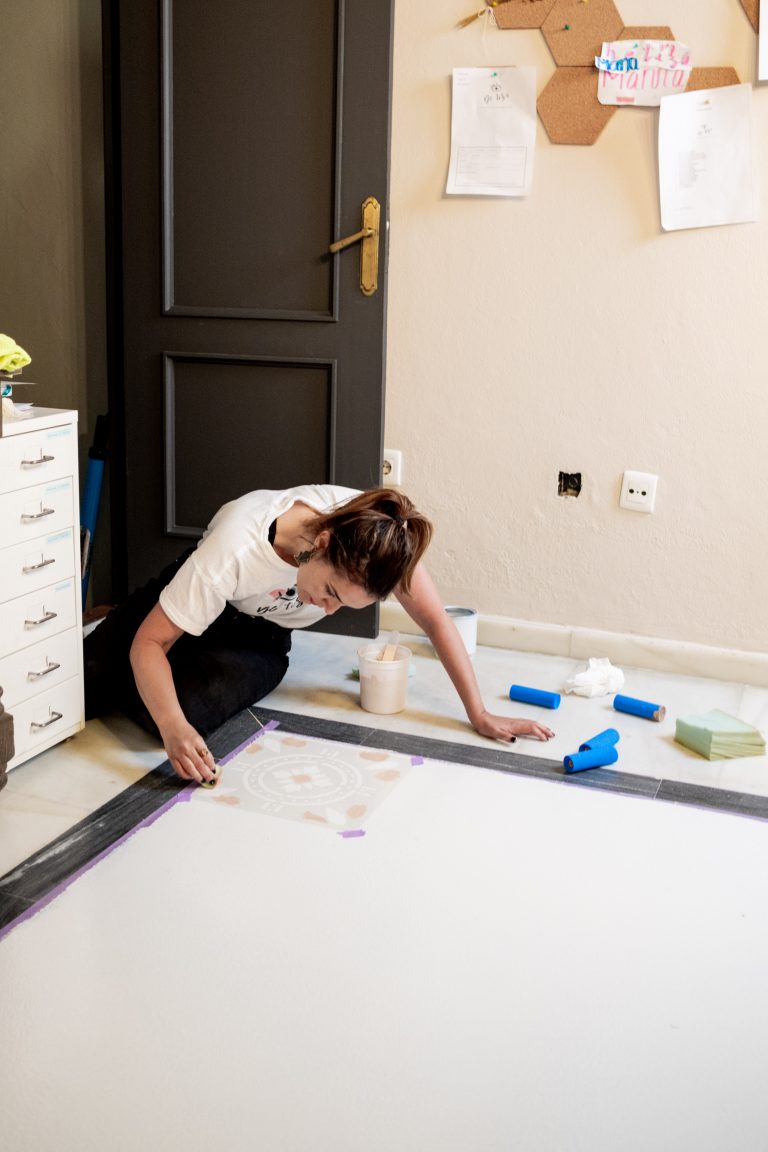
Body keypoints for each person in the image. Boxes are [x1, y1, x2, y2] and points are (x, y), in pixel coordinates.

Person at [84, 484, 554, 784]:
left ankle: (152, 670)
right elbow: (150, 642)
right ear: (322, 543)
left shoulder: (381, 543)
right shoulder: (235, 547)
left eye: (342, 605)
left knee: (181, 715)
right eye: (329, 591)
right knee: (91, 671)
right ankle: (124, 630)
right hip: (210, 597)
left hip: (259, 638)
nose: (326, 609)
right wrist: (172, 724)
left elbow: (435, 620)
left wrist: (479, 713)